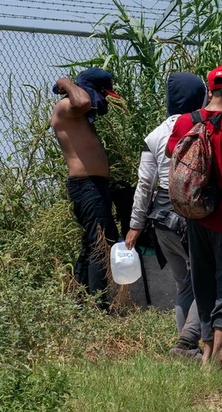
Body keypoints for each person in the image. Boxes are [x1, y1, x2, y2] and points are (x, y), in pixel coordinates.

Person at [167, 64, 222, 366]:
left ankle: (205, 350)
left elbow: (173, 156)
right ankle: (218, 354)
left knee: (202, 282)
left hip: (194, 215)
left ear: (211, 90)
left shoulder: (184, 121)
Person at [126, 72, 207, 355]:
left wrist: (135, 224)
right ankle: (188, 340)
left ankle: (185, 349)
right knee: (206, 280)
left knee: (184, 284)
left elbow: (144, 184)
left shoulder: (155, 135)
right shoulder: (201, 126)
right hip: (190, 214)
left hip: (160, 219)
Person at [51, 68, 121, 309]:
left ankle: (79, 303)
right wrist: (66, 82)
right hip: (86, 185)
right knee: (101, 242)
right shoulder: (66, 107)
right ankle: (98, 307)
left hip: (95, 185)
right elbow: (82, 100)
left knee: (95, 242)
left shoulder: (79, 113)